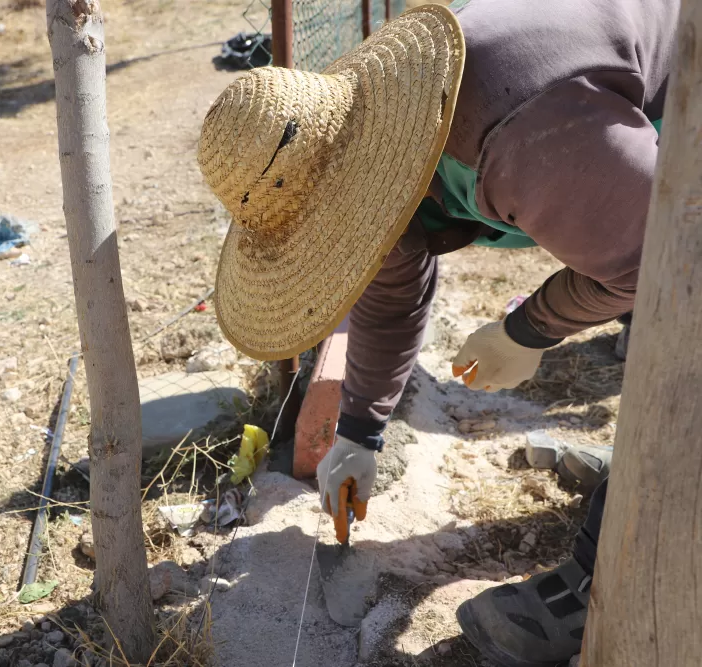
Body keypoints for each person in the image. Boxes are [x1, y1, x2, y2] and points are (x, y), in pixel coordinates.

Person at [195, 1, 676, 665]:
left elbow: (663, 254)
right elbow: (392, 293)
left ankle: (621, 567)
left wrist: (528, 329)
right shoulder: (391, 134)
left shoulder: (513, 132)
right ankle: (646, 477)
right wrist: (359, 430)